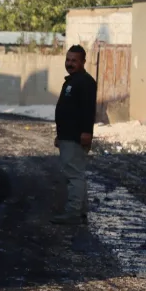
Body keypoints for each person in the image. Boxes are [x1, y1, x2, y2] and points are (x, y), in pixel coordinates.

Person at [52, 45, 97, 225]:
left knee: (74, 175)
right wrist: (59, 135)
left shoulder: (85, 82)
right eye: (68, 60)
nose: (70, 64)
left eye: (74, 61)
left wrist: (87, 132)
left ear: (83, 62)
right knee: (76, 173)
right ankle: (80, 211)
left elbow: (88, 110)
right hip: (67, 136)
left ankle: (72, 213)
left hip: (76, 137)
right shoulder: (72, 81)